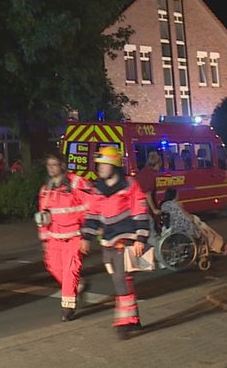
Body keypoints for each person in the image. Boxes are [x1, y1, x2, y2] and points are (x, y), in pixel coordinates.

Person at [80, 146, 150, 340]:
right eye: (99, 164)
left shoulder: (130, 185)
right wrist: (87, 238)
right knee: (121, 279)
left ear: (114, 165)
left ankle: (124, 322)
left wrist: (140, 238)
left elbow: (140, 210)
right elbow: (93, 215)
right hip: (107, 242)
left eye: (104, 164)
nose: (100, 168)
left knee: (120, 278)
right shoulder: (98, 189)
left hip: (125, 239)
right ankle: (134, 319)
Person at [37, 153, 92, 322]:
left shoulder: (77, 183)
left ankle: (67, 308)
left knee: (69, 272)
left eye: (54, 164)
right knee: (54, 268)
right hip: (54, 238)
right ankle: (80, 284)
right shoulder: (46, 188)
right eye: (49, 165)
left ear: (62, 165)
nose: (51, 168)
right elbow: (43, 217)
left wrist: (86, 236)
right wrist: (45, 240)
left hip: (74, 237)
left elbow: (90, 209)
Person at [161, 188, 227, 255]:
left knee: (203, 227)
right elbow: (188, 218)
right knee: (205, 231)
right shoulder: (176, 205)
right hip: (184, 229)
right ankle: (222, 247)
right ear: (174, 196)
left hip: (174, 228)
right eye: (177, 194)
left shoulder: (164, 205)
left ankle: (221, 245)